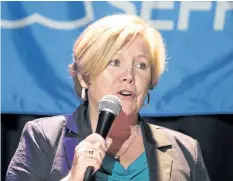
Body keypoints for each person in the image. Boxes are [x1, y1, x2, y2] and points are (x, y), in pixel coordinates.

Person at [6, 14, 210, 181]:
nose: (129, 76)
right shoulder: (44, 138)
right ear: (85, 77)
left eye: (141, 65)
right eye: (114, 62)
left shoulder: (184, 150)